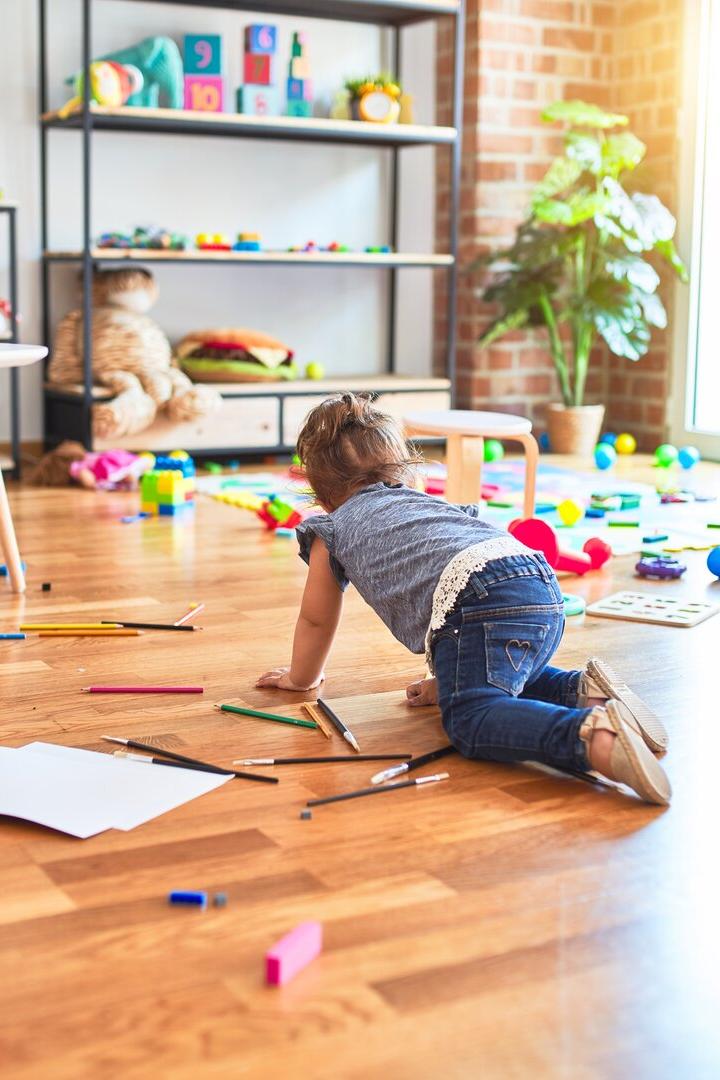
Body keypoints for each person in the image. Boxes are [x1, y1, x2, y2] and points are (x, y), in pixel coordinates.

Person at [257, 394, 671, 806]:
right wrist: (447, 679)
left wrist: (301, 679)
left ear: (317, 487)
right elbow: (457, 593)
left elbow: (316, 620)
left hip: (478, 595)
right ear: (401, 467)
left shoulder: (331, 531)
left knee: (471, 718)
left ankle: (593, 735)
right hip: (536, 579)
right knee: (500, 671)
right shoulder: (426, 504)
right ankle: (583, 690)